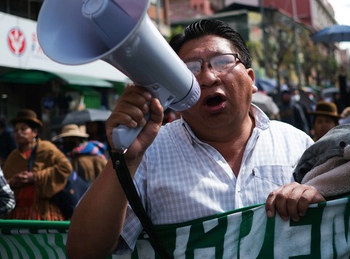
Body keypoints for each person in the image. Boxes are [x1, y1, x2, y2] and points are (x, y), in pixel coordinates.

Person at [66, 19, 324, 258]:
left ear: (251, 80)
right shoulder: (148, 154)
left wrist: (315, 198)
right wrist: (125, 160)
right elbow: (83, 251)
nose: (208, 77)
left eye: (222, 61)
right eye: (190, 69)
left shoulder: (296, 143)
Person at [2, 109, 72, 220]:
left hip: (44, 212)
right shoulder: (13, 157)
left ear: (34, 132)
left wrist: (34, 177)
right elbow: (4, 182)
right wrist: (13, 181)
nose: (18, 133)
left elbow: (65, 167)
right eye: (16, 130)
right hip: (17, 215)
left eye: (23, 129)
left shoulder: (46, 148)